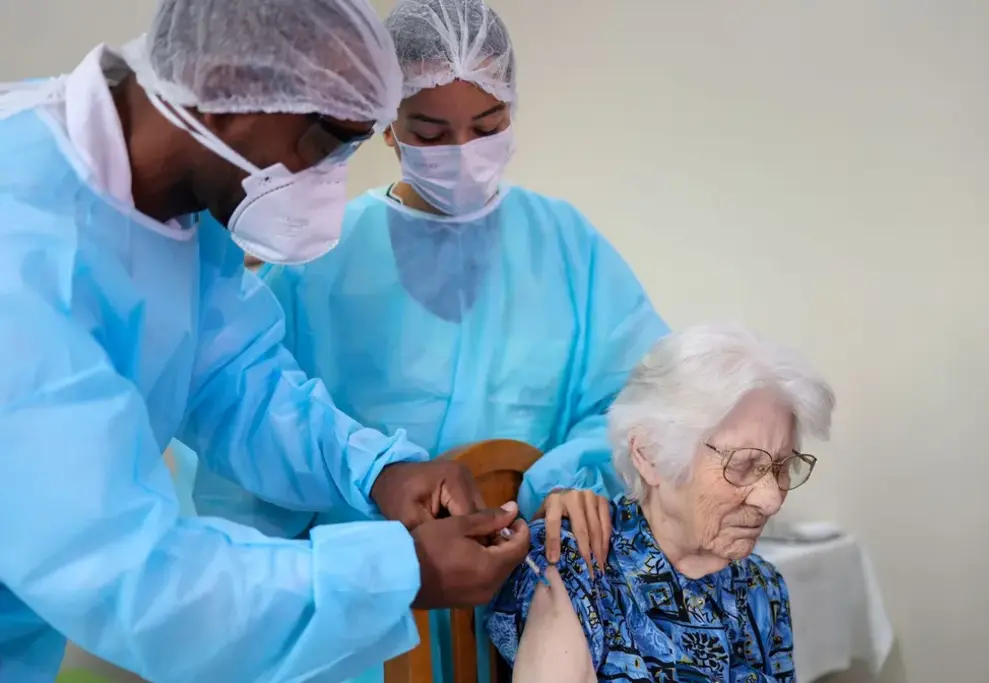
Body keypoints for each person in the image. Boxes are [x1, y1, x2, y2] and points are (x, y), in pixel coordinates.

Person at [0, 1, 531, 681]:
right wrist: (402, 570)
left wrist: (374, 469)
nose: (332, 181)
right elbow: (137, 578)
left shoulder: (183, 199)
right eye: (326, 141)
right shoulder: (21, 250)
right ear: (226, 89)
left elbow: (236, 379)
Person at [187, 0, 669, 679]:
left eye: (487, 125)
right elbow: (247, 455)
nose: (463, 154)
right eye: (432, 132)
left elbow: (645, 398)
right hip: (361, 628)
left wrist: (558, 484)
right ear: (386, 126)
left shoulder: (566, 246)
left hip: (526, 610)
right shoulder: (319, 259)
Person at [488, 322, 836, 682]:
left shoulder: (762, 587)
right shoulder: (577, 567)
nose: (771, 499)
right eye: (744, 465)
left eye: (782, 466)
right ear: (650, 455)